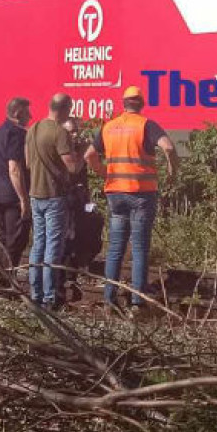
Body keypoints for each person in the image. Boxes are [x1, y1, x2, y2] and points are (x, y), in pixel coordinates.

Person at [87, 86, 178, 313]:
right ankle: (137, 301)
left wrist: (104, 173)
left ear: (124, 103)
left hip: (115, 194)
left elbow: (89, 154)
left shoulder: (108, 127)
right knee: (139, 248)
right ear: (142, 103)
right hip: (140, 193)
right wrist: (172, 171)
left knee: (115, 247)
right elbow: (168, 147)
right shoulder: (146, 125)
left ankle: (109, 299)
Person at [25, 93, 81, 309]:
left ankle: (35, 292)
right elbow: (73, 167)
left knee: (37, 244)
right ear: (65, 109)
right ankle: (49, 297)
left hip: (34, 194)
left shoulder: (33, 129)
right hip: (53, 197)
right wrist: (83, 152)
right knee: (53, 248)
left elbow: (28, 163)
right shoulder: (60, 133)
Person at [0, 97, 32, 291]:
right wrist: (23, 200)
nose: (30, 116)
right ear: (18, 113)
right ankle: (7, 283)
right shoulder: (16, 134)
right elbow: (14, 168)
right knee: (15, 240)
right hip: (11, 196)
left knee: (2, 238)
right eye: (28, 112)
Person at [60, 117, 104, 302]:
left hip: (80, 198)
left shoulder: (79, 148)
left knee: (93, 228)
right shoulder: (62, 149)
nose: (75, 134)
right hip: (64, 200)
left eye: (76, 130)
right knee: (68, 238)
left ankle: (80, 267)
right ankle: (66, 278)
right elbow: (72, 169)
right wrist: (84, 152)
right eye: (70, 131)